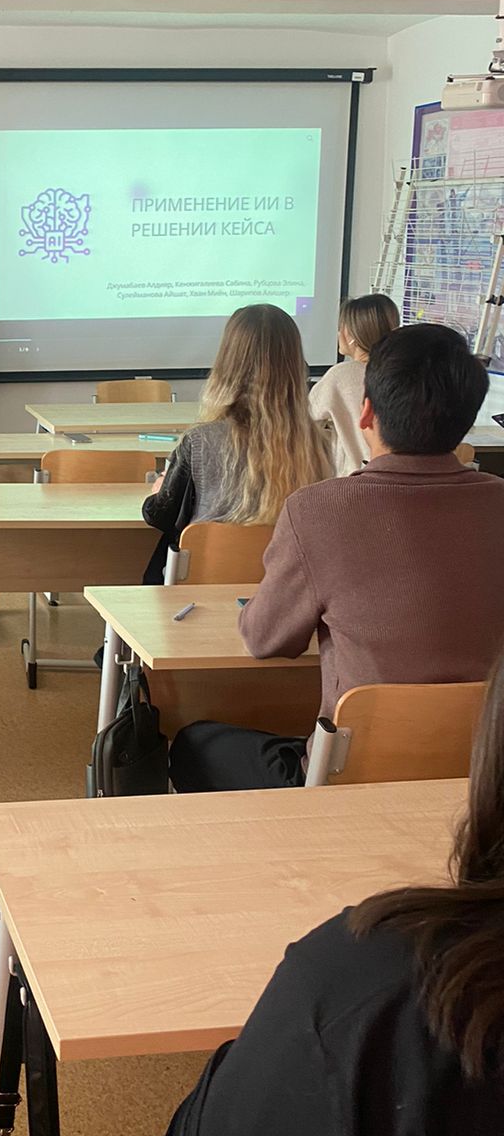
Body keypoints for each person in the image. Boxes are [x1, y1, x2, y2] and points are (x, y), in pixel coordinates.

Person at [136, 654, 504, 1136]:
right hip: (424, 776)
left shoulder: (373, 997)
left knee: (194, 741)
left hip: (335, 775)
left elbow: (265, 636)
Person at [172, 323, 504, 793]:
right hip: (485, 772)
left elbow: (265, 639)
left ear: (366, 412)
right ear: (467, 419)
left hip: (353, 776)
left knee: (194, 743)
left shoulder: (320, 510)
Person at [141, 305, 332, 574]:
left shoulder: (199, 441)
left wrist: (159, 491)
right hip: (281, 587)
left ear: (227, 363)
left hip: (202, 587)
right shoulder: (318, 445)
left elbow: (161, 516)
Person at [309, 292, 400, 476]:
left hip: (351, 479)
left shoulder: (341, 375)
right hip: (398, 476)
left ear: (351, 334)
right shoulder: (402, 375)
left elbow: (306, 418)